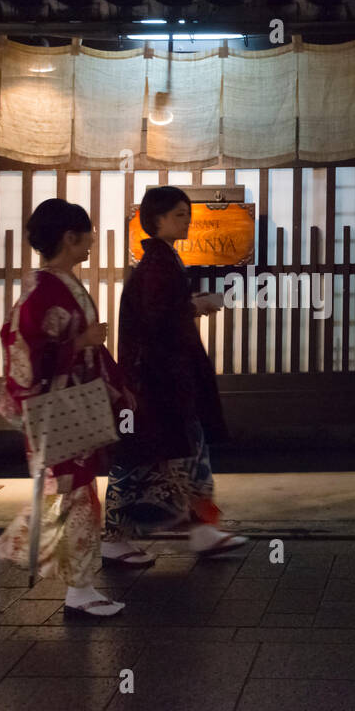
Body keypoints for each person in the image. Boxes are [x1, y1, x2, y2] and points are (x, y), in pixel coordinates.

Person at [0, 198, 135, 617]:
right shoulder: (44, 291)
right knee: (76, 495)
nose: (93, 239)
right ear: (68, 237)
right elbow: (24, 349)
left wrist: (115, 383)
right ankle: (78, 589)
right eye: (87, 232)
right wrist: (79, 344)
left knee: (66, 494)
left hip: (69, 405)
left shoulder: (59, 284)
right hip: (56, 409)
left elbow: (82, 344)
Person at [101, 185, 248, 563]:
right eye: (180, 214)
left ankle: (201, 530)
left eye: (188, 213)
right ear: (158, 219)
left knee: (182, 456)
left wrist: (190, 305)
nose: (187, 220)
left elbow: (162, 317)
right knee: (141, 461)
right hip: (156, 384)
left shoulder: (159, 263)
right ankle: (117, 537)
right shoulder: (156, 266)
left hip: (163, 382)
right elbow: (158, 323)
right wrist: (196, 305)